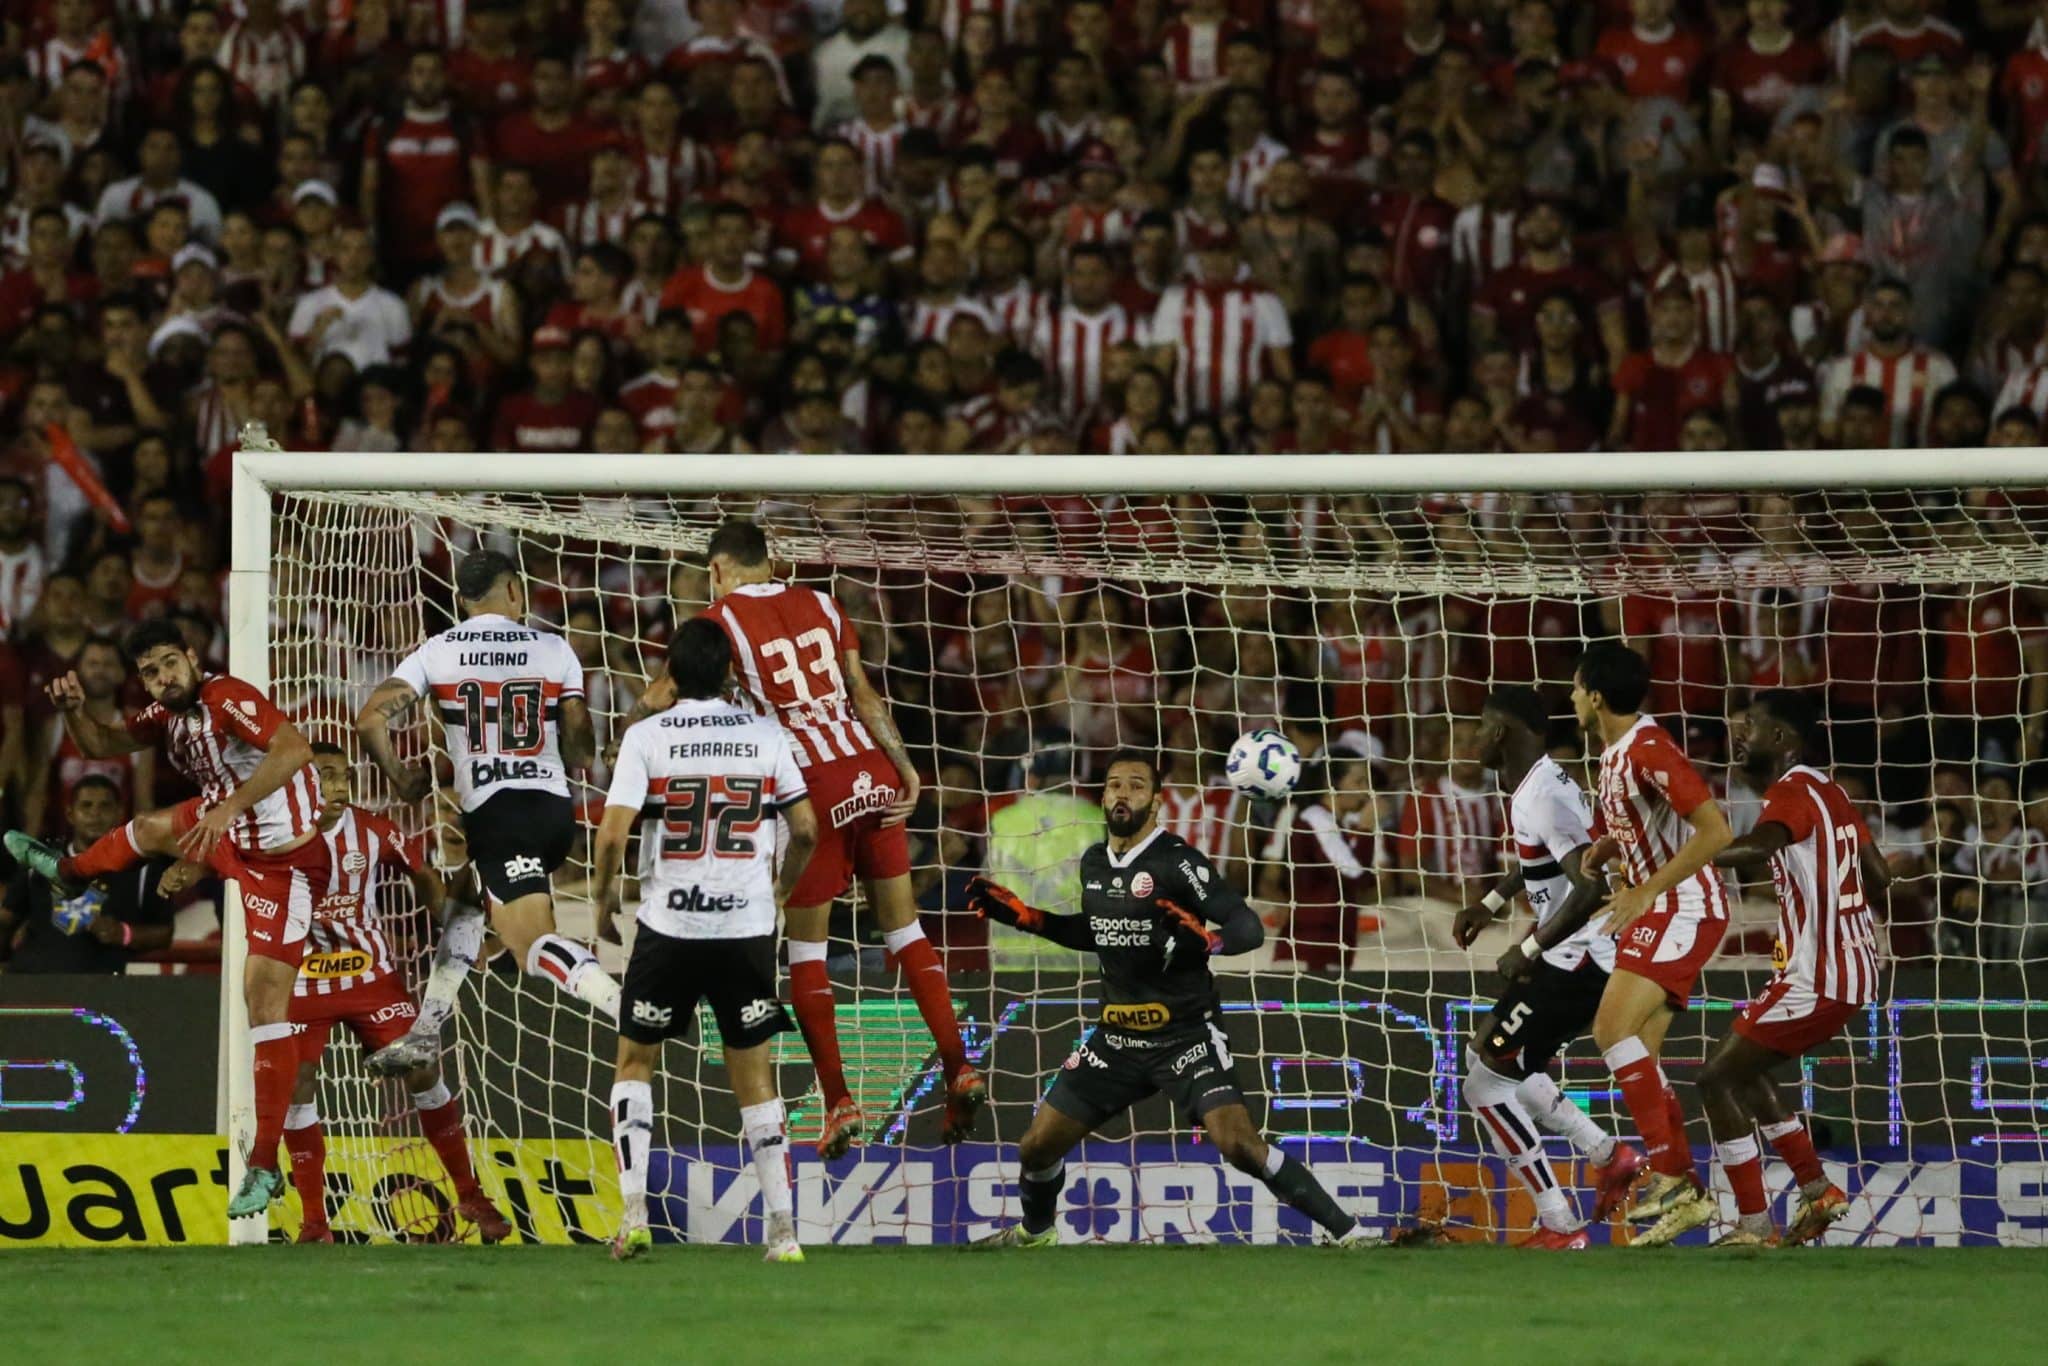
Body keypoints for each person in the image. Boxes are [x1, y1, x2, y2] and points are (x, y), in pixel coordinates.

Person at [620, 519, 981, 1157]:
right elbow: (863, 696)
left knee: (806, 955)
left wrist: (636, 720)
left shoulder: (717, 620)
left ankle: (839, 1101)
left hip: (808, 790)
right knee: (906, 932)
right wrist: (905, 768)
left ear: (717, 570)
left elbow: (663, 695)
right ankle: (959, 1064)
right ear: (772, 559)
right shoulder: (822, 602)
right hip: (868, 767)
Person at [966, 750, 1372, 1248]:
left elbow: (1246, 927)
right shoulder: (1095, 861)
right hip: (1115, 1037)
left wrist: (1211, 942)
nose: (1122, 794)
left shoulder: (1178, 861)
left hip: (1185, 1036)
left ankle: (1350, 1233)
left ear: (1156, 801)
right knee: (1036, 1147)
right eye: (1115, 784)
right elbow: (1099, 932)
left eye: (1136, 786)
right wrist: (1030, 918)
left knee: (1239, 1145)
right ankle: (1035, 1232)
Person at [6, 619, 331, 1219]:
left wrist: (229, 808)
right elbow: (103, 744)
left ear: (189, 654)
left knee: (263, 1006)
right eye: (149, 673)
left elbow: (295, 749)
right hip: (229, 831)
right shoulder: (169, 717)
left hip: (284, 864)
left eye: (167, 664)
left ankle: (263, 1165)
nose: (161, 679)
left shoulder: (226, 696)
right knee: (151, 827)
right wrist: (75, 712)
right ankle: (69, 872)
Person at [591, 618, 819, 1263]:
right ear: (728, 674)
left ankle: (634, 1217)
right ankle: (784, 1231)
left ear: (671, 675)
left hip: (671, 928)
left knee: (635, 1062)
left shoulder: (647, 735)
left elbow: (611, 835)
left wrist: (606, 901)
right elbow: (804, 829)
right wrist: (778, 893)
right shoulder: (767, 734)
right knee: (754, 1075)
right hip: (744, 929)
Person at [355, 549, 623, 1069]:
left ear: (461, 601)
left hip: (500, 816)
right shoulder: (553, 647)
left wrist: (402, 776)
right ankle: (426, 1031)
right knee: (464, 903)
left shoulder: (438, 651)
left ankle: (624, 1007)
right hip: (550, 808)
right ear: (516, 591)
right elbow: (580, 745)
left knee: (531, 947)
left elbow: (369, 720)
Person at [281, 743, 508, 1243]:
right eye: (324, 777)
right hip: (302, 979)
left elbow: (423, 878)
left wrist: (456, 928)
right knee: (294, 1084)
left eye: (343, 777)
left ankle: (470, 1194)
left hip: (369, 977)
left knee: (423, 1065)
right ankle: (315, 1223)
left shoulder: (377, 831)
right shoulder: (275, 835)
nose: (337, 787)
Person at [1695, 690, 1890, 1247]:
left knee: (1715, 1079)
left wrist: (1687, 857)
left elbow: (1760, 847)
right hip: (1843, 965)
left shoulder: (1792, 793)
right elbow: (1878, 875)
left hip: (1821, 973)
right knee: (1747, 1074)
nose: (1739, 734)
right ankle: (1817, 1191)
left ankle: (1754, 1223)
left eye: (1750, 725)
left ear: (1781, 740)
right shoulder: (1830, 791)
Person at [1448, 687, 1640, 1248]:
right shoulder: (1542, 784)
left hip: (1578, 956)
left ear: (1503, 732)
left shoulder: (1542, 797)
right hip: (1570, 948)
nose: (1476, 738)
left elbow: (1589, 885)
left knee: (1483, 1085)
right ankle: (1607, 1153)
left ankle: (1559, 1224)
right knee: (1485, 1057)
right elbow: (1546, 861)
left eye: (1482, 727)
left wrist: (1526, 951)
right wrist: (1489, 904)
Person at [1566, 642, 1734, 1247]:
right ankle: (1684, 1186)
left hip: (1684, 905)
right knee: (1636, 1054)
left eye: (1576, 687)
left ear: (1597, 696)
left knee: (1610, 1031)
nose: (1571, 697)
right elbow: (1641, 821)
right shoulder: (1617, 755)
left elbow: (1716, 830)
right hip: (1660, 907)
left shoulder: (1650, 748)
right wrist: (1609, 847)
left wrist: (1646, 891)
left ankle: (1669, 1174)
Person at [0, 776, 172, 973]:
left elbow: (164, 933)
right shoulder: (40, 859)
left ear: (119, 813)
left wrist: (122, 932)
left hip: (100, 990)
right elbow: (6, 920)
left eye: (105, 806)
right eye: (86, 806)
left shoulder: (145, 868)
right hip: (31, 982)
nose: (95, 814)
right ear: (70, 814)